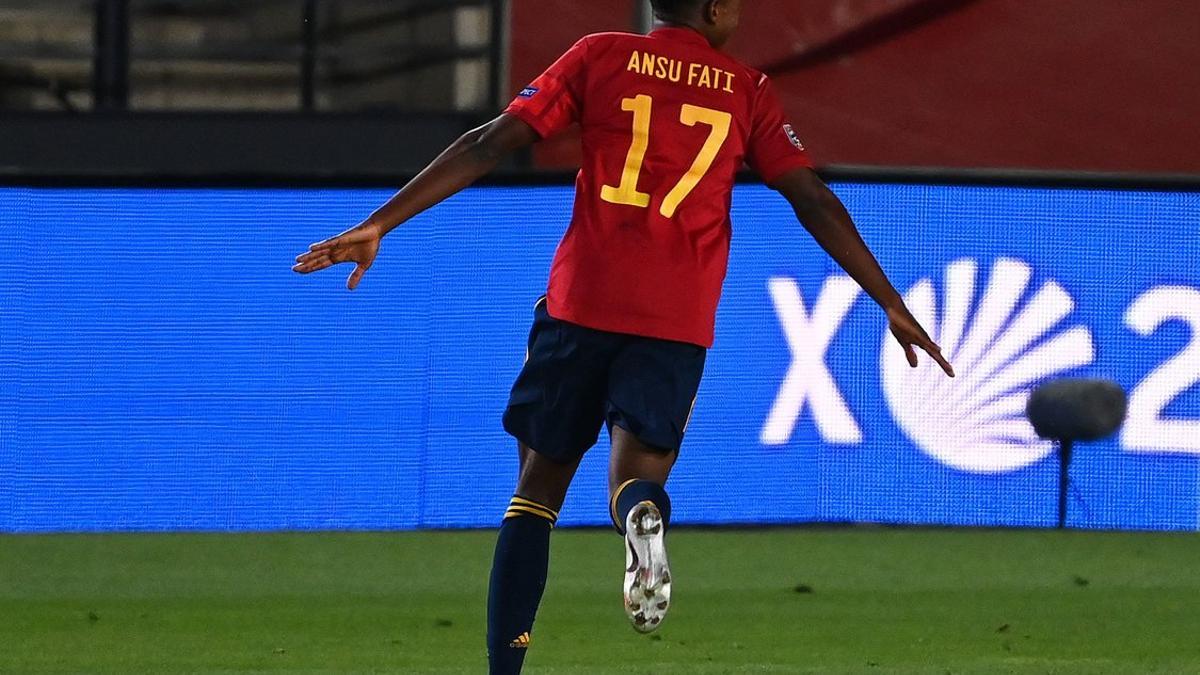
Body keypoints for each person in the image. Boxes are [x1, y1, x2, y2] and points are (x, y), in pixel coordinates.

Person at [293, 0, 955, 671]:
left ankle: (504, 669)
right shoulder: (747, 90)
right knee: (636, 473)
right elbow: (811, 197)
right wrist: (889, 301)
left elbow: (490, 142)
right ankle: (641, 513)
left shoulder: (600, 55)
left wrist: (381, 221)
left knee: (534, 493)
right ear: (714, 9)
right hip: (674, 318)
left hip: (582, 302)